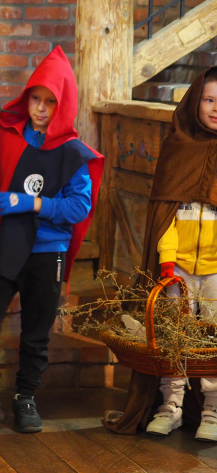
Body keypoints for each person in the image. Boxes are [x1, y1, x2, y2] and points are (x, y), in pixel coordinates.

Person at [0, 46, 104, 431]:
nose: (40, 108)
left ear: (63, 105)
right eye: (36, 98)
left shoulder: (71, 153)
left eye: (50, 102)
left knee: (35, 332)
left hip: (47, 251)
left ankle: (25, 397)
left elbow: (78, 207)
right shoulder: (6, 133)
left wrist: (31, 202)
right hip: (6, 245)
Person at [106, 68, 217, 440]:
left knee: (213, 339)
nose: (216, 108)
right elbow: (165, 219)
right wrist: (167, 261)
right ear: (194, 102)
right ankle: (171, 405)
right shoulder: (177, 148)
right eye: (209, 100)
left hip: (216, 271)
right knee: (173, 335)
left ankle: (213, 411)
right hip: (177, 269)